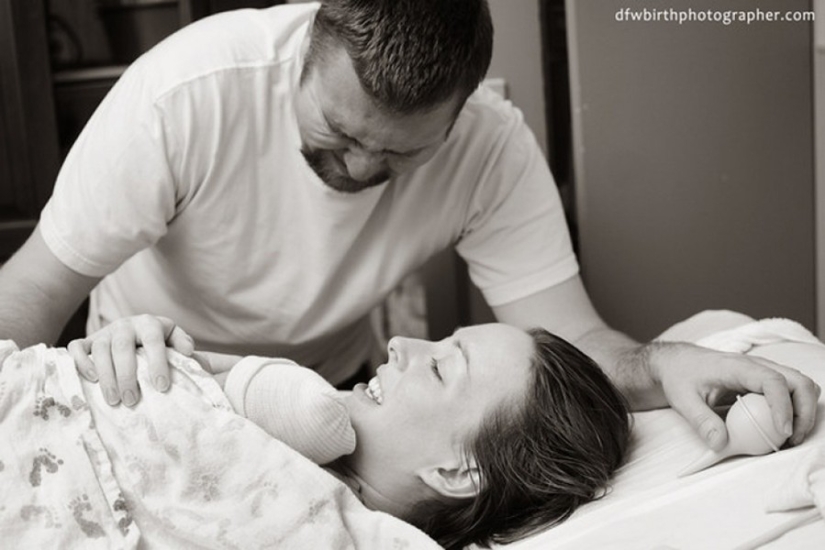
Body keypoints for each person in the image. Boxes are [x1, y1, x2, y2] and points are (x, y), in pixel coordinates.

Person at [0, 0, 817, 459]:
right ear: (304, 57)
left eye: (395, 155)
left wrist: (664, 360)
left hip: (341, 394)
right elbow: (33, 289)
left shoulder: (490, 146)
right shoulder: (184, 94)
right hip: (154, 382)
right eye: (337, 135)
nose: (357, 170)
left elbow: (568, 343)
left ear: (458, 114)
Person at [77, 318, 631, 549]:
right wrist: (135, 347)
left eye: (439, 367)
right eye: (438, 342)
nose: (400, 344)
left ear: (458, 471)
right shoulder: (290, 405)